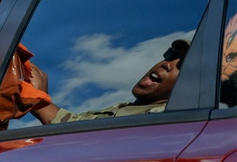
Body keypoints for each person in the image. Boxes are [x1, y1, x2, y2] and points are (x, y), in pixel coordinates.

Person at [31, 39, 189, 124]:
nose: (167, 64)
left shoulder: (160, 120)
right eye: (171, 54)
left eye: (183, 65)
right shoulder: (125, 109)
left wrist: (38, 101)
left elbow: (85, 143)